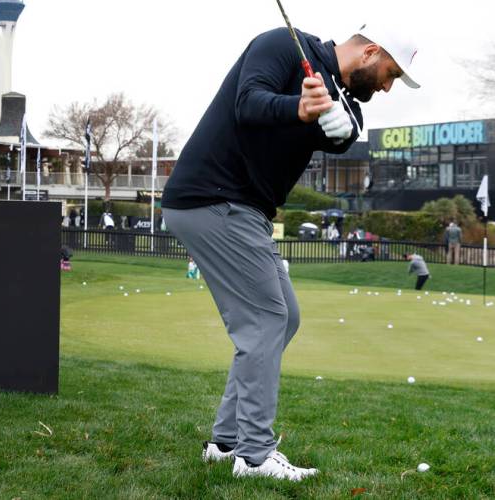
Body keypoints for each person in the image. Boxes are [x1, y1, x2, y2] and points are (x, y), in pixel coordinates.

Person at [162, 24, 418, 482]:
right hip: (214, 196)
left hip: (243, 209)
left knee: (285, 318)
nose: (386, 85)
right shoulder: (284, 45)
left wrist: (339, 128)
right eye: (389, 73)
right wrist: (299, 107)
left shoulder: (347, 102)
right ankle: (254, 456)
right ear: (371, 52)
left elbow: (344, 135)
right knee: (264, 320)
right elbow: (248, 102)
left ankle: (224, 443)